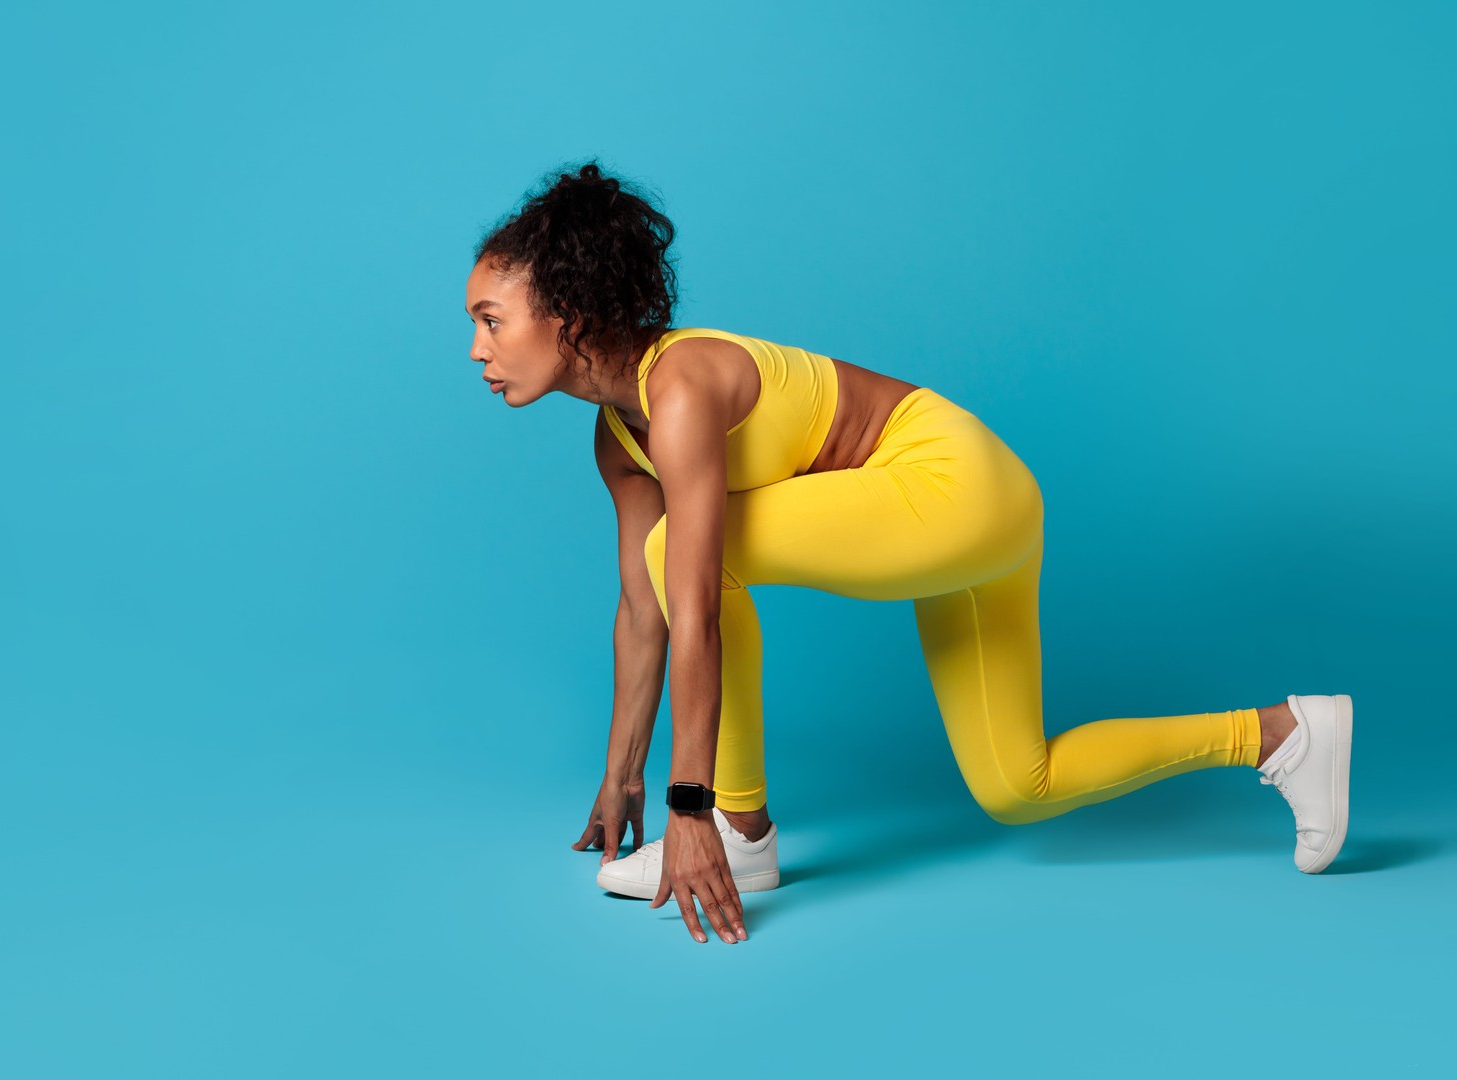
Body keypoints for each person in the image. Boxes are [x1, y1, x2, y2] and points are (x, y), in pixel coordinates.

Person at [463, 160, 1354, 946]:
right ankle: (1285, 734)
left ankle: (742, 831)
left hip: (952, 483)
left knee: (684, 556)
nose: (477, 350)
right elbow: (645, 612)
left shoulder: (683, 387)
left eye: (492, 321)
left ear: (568, 316)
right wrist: (619, 778)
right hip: (964, 519)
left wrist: (688, 806)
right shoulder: (618, 441)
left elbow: (693, 599)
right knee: (1019, 783)